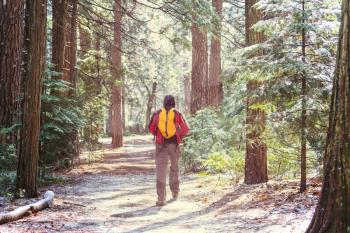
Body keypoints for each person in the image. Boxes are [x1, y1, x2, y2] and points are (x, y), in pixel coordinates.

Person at [148, 95, 190, 206]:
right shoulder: (177, 114)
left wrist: (159, 135)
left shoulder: (157, 114)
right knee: (174, 168)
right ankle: (175, 192)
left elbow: (151, 128)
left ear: (163, 103)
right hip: (174, 145)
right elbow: (186, 128)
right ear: (174, 103)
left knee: (161, 171)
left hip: (160, 145)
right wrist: (178, 136)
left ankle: (161, 198)